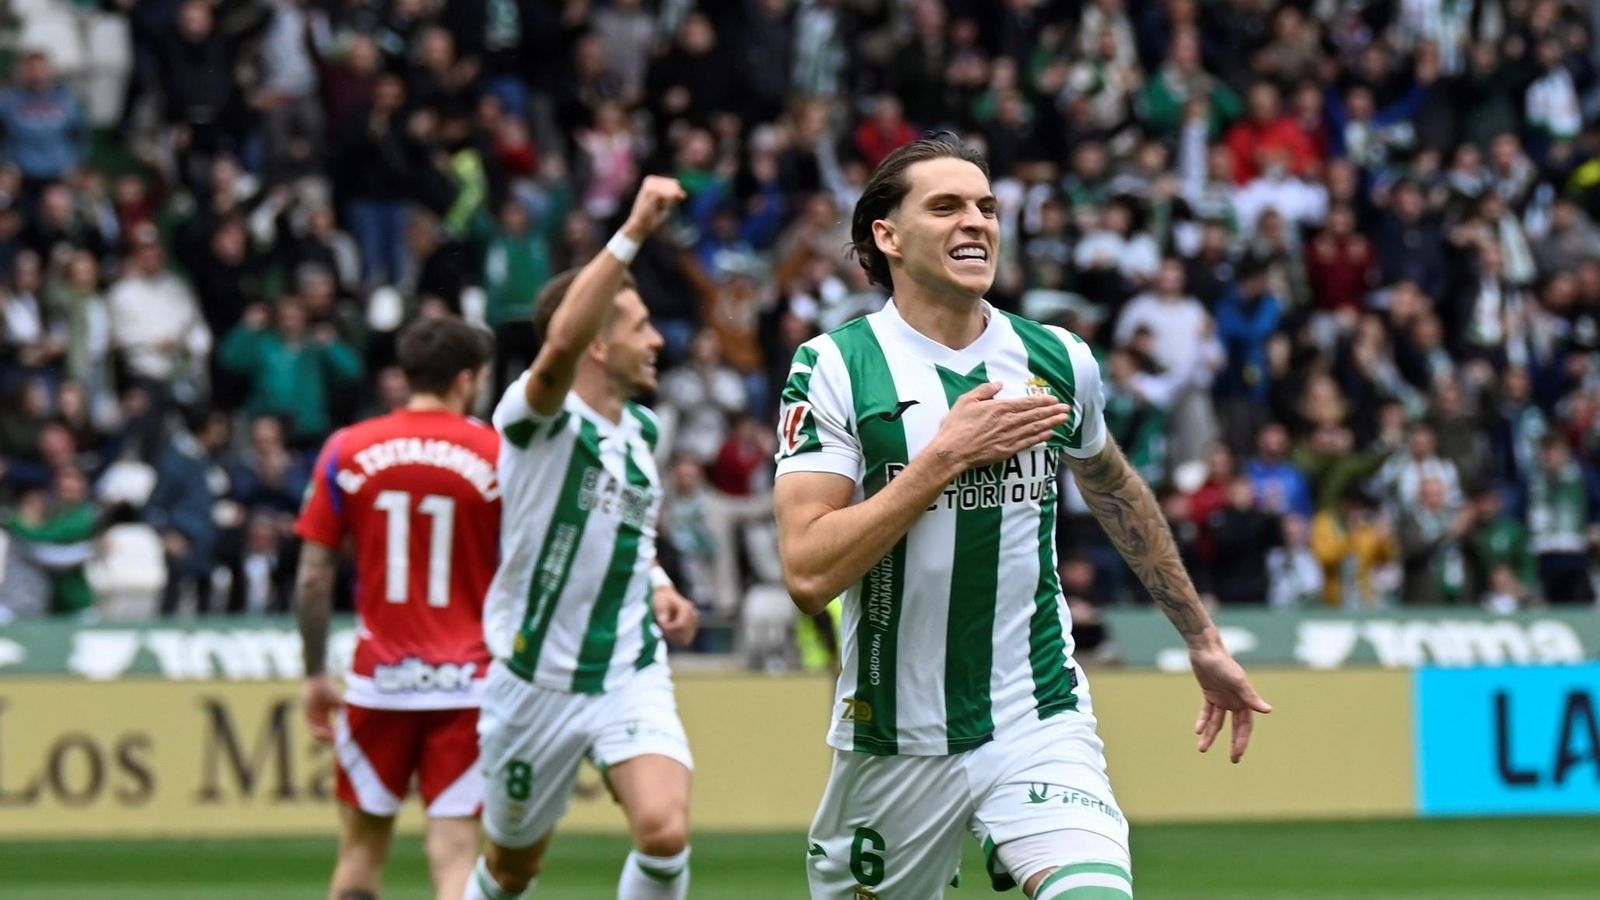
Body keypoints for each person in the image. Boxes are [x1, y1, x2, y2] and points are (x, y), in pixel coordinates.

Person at [773, 137, 1268, 899]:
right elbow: (808, 571)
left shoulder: (1058, 360)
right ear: (887, 236)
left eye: (986, 207)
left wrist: (1201, 637)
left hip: (1035, 712)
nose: (976, 222)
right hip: (892, 736)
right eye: (946, 206)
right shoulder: (835, 368)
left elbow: (1115, 487)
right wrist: (941, 459)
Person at [469, 176, 702, 900]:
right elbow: (559, 341)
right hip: (535, 678)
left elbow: (625, 528)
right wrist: (633, 228)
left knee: (664, 831)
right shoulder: (538, 422)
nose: (658, 339)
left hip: (626, 667)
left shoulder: (643, 431)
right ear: (597, 345)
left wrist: (661, 587)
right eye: (640, 326)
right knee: (513, 871)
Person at [293, 316, 501, 900]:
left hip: (378, 680)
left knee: (359, 856)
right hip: (468, 683)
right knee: (456, 858)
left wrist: (314, 672)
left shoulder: (347, 450)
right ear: (466, 380)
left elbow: (313, 576)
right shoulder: (497, 453)